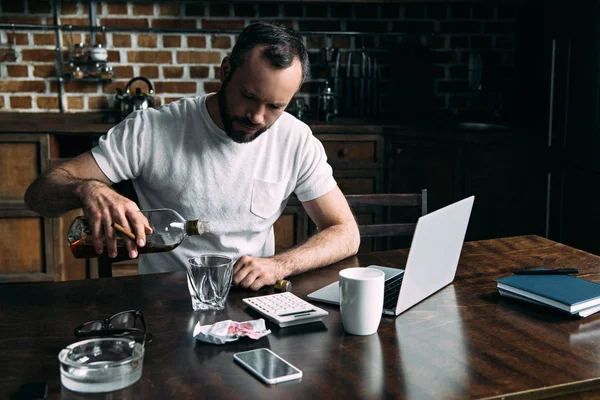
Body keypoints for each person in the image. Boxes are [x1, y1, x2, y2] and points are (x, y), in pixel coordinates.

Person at [24, 22, 360, 291]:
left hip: (250, 303)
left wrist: (279, 265)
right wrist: (90, 189)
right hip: (165, 300)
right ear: (225, 70)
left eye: (275, 106)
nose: (257, 116)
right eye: (248, 96)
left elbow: (345, 232)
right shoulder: (152, 129)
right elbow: (40, 194)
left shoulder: (295, 138)